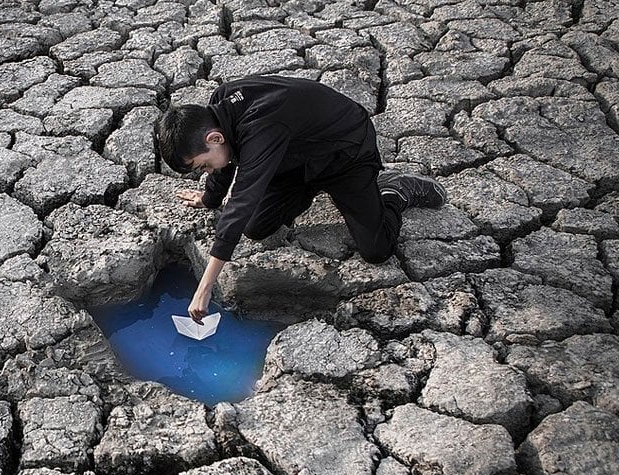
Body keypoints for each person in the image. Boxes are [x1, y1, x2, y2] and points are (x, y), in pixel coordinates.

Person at [154, 75, 447, 323]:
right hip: (292, 161)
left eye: (202, 166)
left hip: (344, 154)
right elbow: (225, 163)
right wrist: (210, 197)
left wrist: (205, 286)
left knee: (376, 250)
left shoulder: (261, 126)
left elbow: (242, 199)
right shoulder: (218, 110)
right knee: (256, 227)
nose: (206, 171)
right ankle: (309, 190)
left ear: (214, 138)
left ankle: (394, 191)